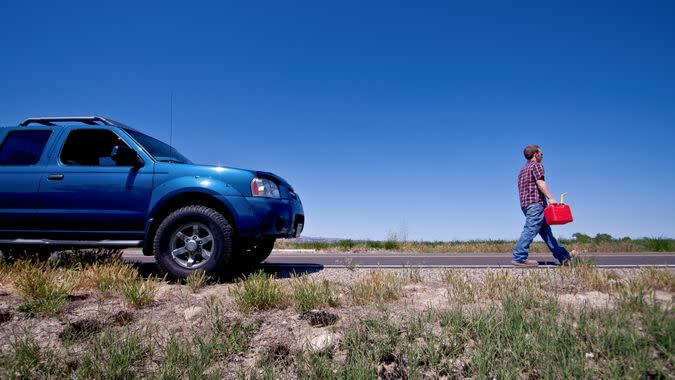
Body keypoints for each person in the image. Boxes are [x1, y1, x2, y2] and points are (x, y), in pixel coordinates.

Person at [512, 145, 574, 267]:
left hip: (526, 205)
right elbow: (540, 182)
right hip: (536, 204)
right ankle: (519, 257)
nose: (542, 155)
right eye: (541, 153)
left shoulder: (522, 171)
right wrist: (551, 198)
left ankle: (563, 257)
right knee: (530, 230)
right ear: (536, 154)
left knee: (546, 233)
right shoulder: (536, 166)